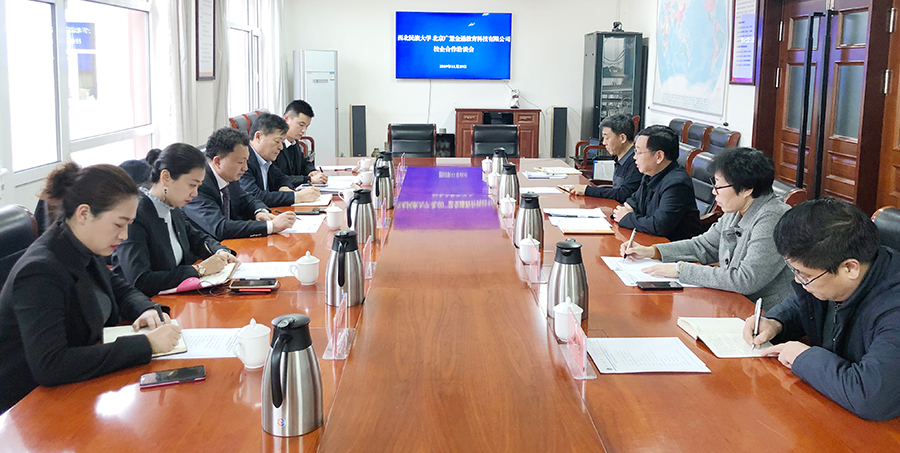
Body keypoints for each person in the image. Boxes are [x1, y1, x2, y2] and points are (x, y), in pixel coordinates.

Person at [0, 163, 182, 414]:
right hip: (30, 406)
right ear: (84, 214)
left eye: (129, 224)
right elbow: (50, 365)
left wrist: (146, 308)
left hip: (81, 386)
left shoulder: (82, 245)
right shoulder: (40, 271)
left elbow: (119, 288)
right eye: (119, 224)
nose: (124, 235)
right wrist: (146, 344)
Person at [742, 198, 900, 420]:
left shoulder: (893, 309)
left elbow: (871, 396)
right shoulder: (834, 276)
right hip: (833, 405)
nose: (798, 282)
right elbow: (805, 304)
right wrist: (776, 322)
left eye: (804, 276)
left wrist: (804, 357)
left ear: (849, 268)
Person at [622, 148, 793, 310]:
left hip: (764, 314)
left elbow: (745, 279)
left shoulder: (773, 218)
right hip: (731, 301)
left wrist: (680, 270)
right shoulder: (738, 208)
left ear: (746, 189)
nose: (713, 192)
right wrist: (651, 251)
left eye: (718, 186)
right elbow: (703, 246)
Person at [113, 143, 241, 297]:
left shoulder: (172, 207)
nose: (195, 193)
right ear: (166, 177)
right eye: (192, 185)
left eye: (198, 186)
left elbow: (198, 238)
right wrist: (199, 270)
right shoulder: (136, 216)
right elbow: (141, 280)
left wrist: (220, 251)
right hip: (149, 304)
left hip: (177, 297)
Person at [182, 127, 297, 240]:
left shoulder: (229, 177)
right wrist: (271, 226)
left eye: (246, 161)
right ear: (218, 161)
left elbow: (247, 199)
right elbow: (220, 228)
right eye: (240, 162)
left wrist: (260, 212)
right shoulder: (199, 185)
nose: (245, 168)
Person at [612, 125, 702, 241]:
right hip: (649, 240)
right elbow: (633, 201)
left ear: (659, 156)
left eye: (638, 152)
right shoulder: (650, 174)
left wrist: (626, 217)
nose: (634, 157)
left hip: (672, 247)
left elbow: (659, 226)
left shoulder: (677, 184)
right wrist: (624, 212)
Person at [239, 113, 320, 207]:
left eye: (282, 142)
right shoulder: (243, 160)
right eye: (277, 141)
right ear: (258, 137)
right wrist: (296, 197)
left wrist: (284, 188)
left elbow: (282, 178)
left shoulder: (265, 159)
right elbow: (254, 196)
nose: (281, 147)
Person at [566, 114, 641, 203]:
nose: (604, 143)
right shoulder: (620, 157)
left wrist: (588, 190)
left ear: (622, 138)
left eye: (607, 138)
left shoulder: (636, 161)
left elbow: (623, 194)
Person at [273, 100, 328, 187]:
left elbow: (304, 163)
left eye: (307, 126)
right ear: (286, 119)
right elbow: (278, 178)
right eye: (301, 125)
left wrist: (311, 171)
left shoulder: (294, 142)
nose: (304, 130)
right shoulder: (274, 145)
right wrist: (309, 179)